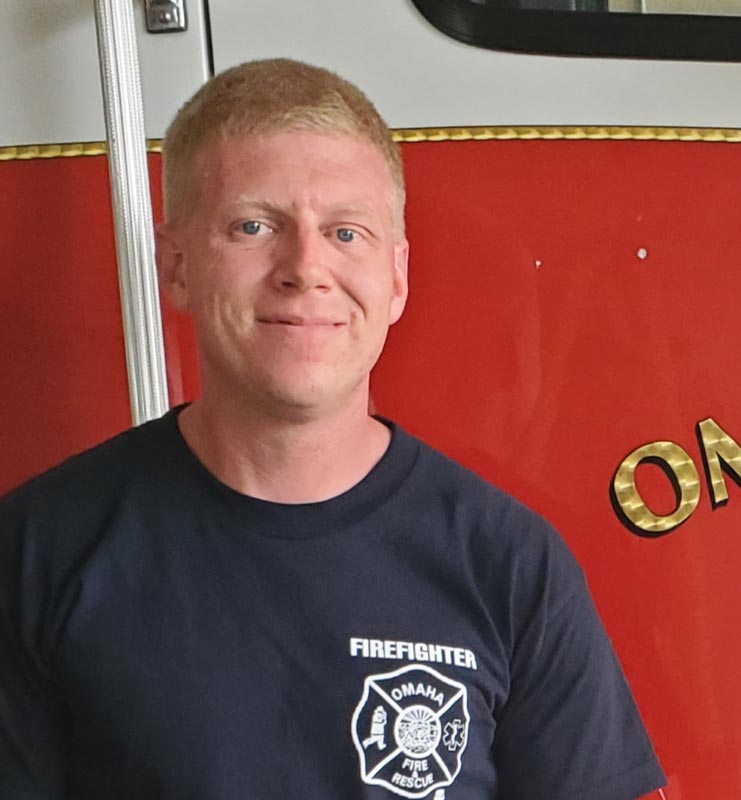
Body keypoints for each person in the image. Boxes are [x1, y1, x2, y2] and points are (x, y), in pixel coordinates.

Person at [0, 58, 665, 800]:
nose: (306, 266)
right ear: (178, 265)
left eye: (346, 232)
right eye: (255, 226)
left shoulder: (510, 567)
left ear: (398, 277)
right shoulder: (35, 554)